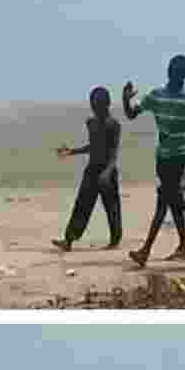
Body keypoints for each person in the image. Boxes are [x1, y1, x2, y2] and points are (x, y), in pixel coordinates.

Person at [122, 55, 185, 266]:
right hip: (161, 156)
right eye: (172, 69)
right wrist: (126, 99)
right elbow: (132, 114)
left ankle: (146, 250)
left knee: (163, 201)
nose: (174, 73)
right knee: (170, 199)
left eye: (179, 70)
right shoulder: (156, 96)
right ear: (168, 71)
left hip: (179, 156)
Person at [52, 86, 122, 252]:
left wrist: (107, 172)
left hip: (108, 171)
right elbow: (93, 147)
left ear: (107, 104)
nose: (95, 107)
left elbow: (114, 152)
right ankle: (69, 239)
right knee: (82, 205)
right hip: (92, 170)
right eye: (93, 104)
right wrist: (72, 152)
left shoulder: (114, 125)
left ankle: (115, 240)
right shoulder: (90, 123)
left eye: (98, 104)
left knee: (112, 207)